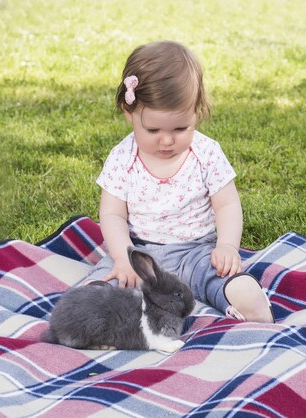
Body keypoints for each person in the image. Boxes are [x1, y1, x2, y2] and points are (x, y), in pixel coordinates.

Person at [84, 41, 274, 323]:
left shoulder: (206, 154)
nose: (167, 140)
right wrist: (124, 259)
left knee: (222, 276)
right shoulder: (122, 158)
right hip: (139, 252)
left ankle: (247, 302)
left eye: (180, 128)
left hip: (197, 253)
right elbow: (112, 214)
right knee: (108, 279)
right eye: (152, 129)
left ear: (197, 112)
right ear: (129, 112)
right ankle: (97, 317)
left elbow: (227, 205)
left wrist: (227, 247)